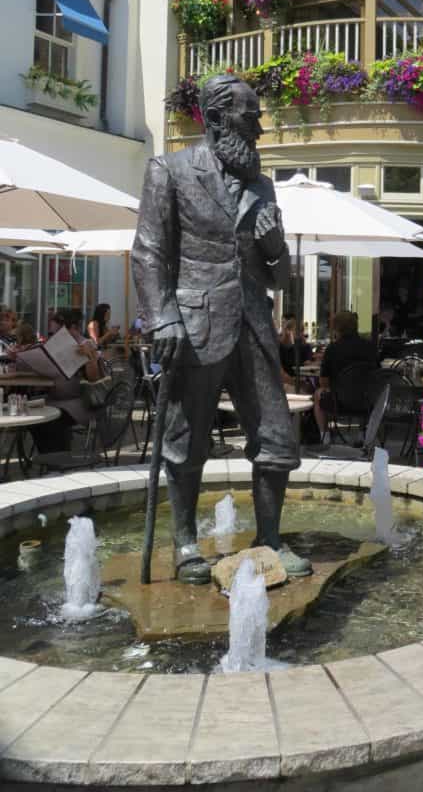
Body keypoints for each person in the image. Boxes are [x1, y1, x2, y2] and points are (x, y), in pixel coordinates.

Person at [132, 73, 309, 584]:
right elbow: (148, 251)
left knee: (277, 438)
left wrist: (275, 245)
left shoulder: (263, 184)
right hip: (192, 325)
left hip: (253, 324)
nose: (259, 129)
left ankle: (269, 541)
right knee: (185, 441)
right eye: (249, 116)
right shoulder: (170, 170)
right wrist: (162, 315)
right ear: (214, 119)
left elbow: (279, 276)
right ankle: (186, 544)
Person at [30, 308, 104, 456]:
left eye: (59, 333)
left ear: (73, 328)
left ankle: (58, 461)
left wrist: (90, 358)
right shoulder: (53, 346)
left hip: (79, 402)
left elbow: (94, 379)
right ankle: (48, 459)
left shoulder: (86, 344)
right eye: (54, 334)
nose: (56, 337)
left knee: (51, 422)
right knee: (33, 419)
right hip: (54, 399)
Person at [313, 310, 378, 436]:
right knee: (364, 389)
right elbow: (377, 376)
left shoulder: (333, 349)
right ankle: (362, 433)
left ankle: (324, 436)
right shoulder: (369, 347)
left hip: (339, 402)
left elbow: (323, 382)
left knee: (317, 394)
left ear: (337, 328)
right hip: (367, 401)